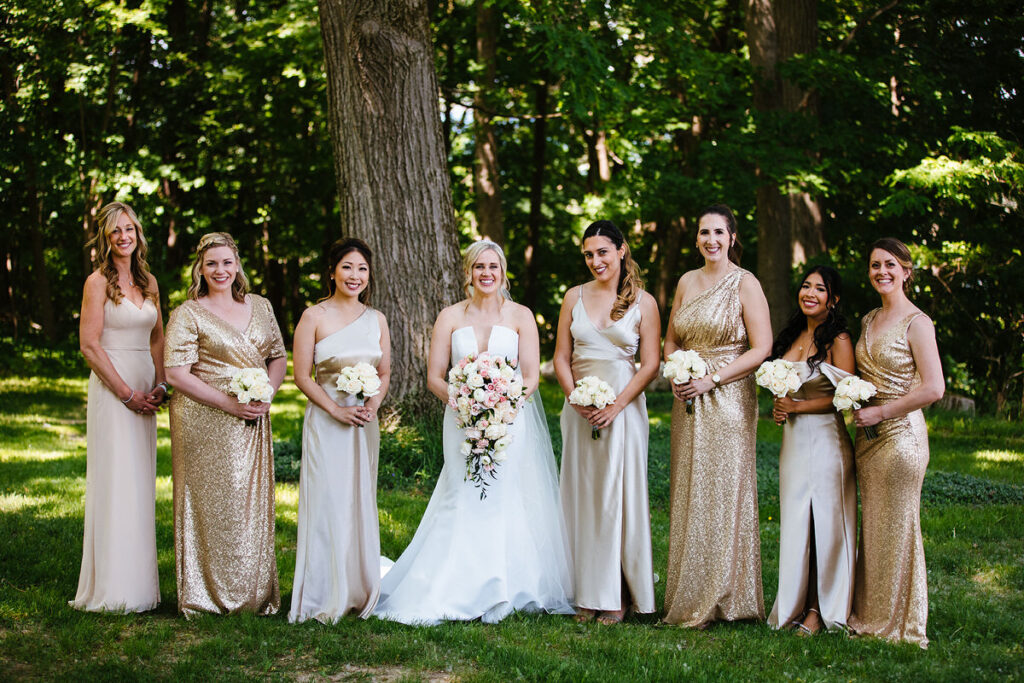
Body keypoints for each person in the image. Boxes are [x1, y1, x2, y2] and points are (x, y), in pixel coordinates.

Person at [374, 240, 573, 625]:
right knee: (461, 493)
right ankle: (454, 583)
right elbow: (434, 377)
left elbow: (530, 376)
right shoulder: (450, 317)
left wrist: (502, 401)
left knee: (504, 494)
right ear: (469, 272)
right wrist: (464, 400)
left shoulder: (521, 316)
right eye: (479, 267)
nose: (487, 274)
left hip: (509, 419)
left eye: (493, 267)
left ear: (503, 272)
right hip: (460, 419)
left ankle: (505, 585)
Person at [164, 232, 287, 617]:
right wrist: (229, 405)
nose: (220, 270)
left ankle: (253, 594)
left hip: (253, 418)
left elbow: (278, 357)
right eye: (212, 263)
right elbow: (175, 374)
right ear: (200, 268)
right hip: (203, 420)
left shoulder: (262, 306)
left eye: (227, 262)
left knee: (248, 502)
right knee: (208, 503)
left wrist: (267, 393)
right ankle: (204, 595)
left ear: (238, 266)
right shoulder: (188, 313)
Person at [662, 204, 772, 628]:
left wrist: (713, 379)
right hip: (686, 395)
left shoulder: (746, 283)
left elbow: (761, 348)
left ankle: (728, 594)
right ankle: (689, 591)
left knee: (724, 487)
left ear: (731, 238)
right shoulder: (687, 282)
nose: (711, 240)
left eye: (718, 233)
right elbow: (671, 340)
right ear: (697, 239)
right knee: (690, 487)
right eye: (704, 232)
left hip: (728, 395)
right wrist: (677, 369)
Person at [554, 220, 660, 625]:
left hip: (625, 408)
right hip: (580, 410)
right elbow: (562, 357)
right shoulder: (573, 297)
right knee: (582, 497)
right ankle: (586, 591)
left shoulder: (643, 302)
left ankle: (617, 594)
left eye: (602, 252)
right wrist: (574, 398)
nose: (595, 261)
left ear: (621, 250)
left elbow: (650, 364)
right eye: (588, 254)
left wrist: (616, 406)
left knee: (618, 498)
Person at [289, 238, 391, 623]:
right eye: (347, 267)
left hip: (364, 423)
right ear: (332, 270)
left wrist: (371, 406)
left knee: (359, 500)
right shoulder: (313, 317)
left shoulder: (376, 319)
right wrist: (335, 410)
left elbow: (384, 371)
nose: (355, 276)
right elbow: (302, 376)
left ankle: (359, 587)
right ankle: (322, 593)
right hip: (327, 422)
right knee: (328, 500)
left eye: (362, 269)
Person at [848, 238, 943, 649]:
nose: (881, 272)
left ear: (906, 271)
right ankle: (871, 614)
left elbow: (935, 388)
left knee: (900, 526)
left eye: (890, 265)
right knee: (875, 526)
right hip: (867, 438)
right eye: (874, 265)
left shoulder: (918, 323)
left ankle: (904, 621)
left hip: (901, 437)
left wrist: (883, 413)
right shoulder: (869, 319)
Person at [71, 201, 164, 612]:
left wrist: (160, 383)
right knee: (116, 481)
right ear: (106, 239)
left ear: (138, 233)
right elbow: (89, 345)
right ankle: (112, 589)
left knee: (141, 483)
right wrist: (126, 393)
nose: (124, 237)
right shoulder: (96, 282)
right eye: (116, 232)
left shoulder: (149, 281)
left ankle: (141, 587)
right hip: (114, 389)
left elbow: (158, 337)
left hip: (147, 387)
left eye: (129, 229)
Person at [766, 266, 856, 635]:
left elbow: (845, 397)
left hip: (826, 442)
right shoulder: (790, 336)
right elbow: (783, 389)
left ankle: (821, 608)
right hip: (793, 443)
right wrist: (779, 405)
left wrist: (798, 407)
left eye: (820, 289)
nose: (811, 293)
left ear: (832, 300)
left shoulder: (839, 339)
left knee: (825, 524)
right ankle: (795, 604)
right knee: (798, 523)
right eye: (806, 286)